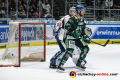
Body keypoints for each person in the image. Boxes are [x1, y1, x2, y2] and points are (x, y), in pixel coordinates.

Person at [57, 5, 91, 71]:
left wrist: (85, 36)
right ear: (78, 11)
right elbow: (67, 26)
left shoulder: (83, 20)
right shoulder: (73, 18)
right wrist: (73, 31)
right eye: (83, 10)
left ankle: (79, 63)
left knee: (86, 48)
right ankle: (60, 65)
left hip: (77, 38)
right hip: (70, 37)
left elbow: (83, 31)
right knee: (70, 50)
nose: (84, 12)